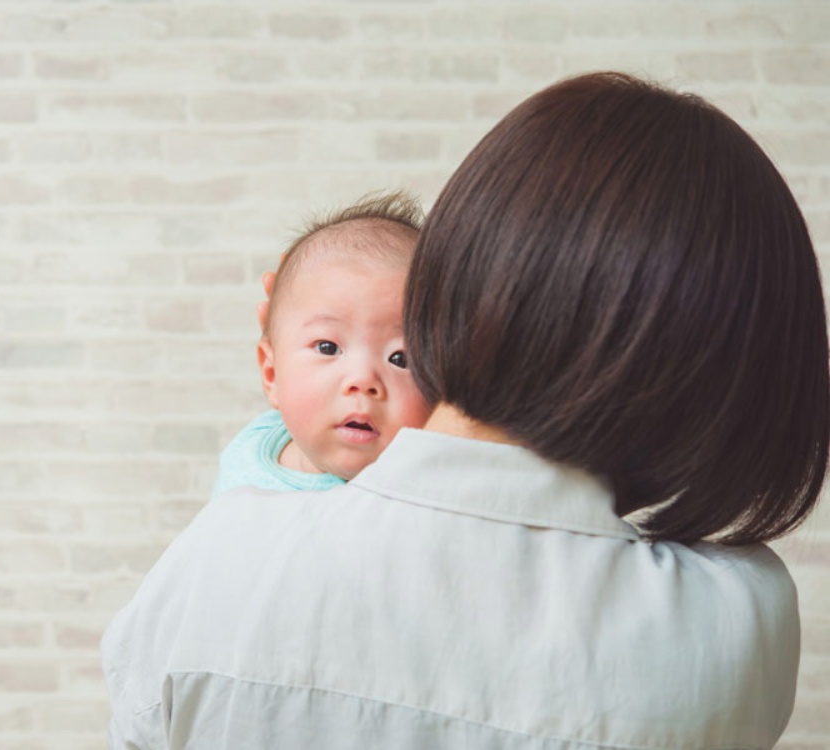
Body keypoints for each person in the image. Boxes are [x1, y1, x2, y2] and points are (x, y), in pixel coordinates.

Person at [101, 72, 829, 749]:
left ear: (458, 275)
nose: (361, 380)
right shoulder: (734, 623)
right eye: (327, 345)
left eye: (392, 352)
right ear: (724, 390)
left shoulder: (218, 561)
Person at [211, 191, 433, 499]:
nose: (362, 381)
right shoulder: (251, 454)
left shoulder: (424, 486)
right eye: (328, 347)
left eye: (400, 358)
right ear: (272, 374)